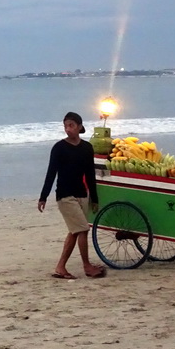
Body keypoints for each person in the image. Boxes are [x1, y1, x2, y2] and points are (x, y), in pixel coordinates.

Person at [37, 112, 105, 280]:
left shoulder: (87, 148)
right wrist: (43, 197)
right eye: (65, 126)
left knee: (75, 231)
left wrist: (94, 198)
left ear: (80, 126)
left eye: (71, 125)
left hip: (82, 194)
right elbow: (51, 173)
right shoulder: (59, 148)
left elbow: (90, 175)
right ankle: (87, 266)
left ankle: (60, 267)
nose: (68, 129)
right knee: (82, 229)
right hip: (65, 196)